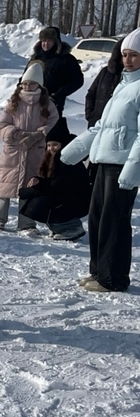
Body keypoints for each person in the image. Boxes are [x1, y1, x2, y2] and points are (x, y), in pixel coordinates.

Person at [60, 28, 140, 291]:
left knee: (114, 222)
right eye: (125, 54)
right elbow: (101, 128)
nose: (127, 60)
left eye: (134, 56)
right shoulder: (123, 86)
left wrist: (132, 171)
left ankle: (113, 279)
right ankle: (98, 272)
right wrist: (72, 151)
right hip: (104, 161)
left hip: (122, 166)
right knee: (97, 219)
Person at [0, 62, 58, 232]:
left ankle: (27, 222)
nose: (28, 86)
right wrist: (17, 133)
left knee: (30, 187)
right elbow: (2, 126)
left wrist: (38, 135)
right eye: (25, 83)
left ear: (39, 85)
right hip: (13, 151)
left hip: (35, 152)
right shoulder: (13, 102)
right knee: (4, 185)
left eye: (32, 83)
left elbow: (54, 124)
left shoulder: (47, 104)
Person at [18, 119, 90, 241]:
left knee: (41, 202)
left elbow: (58, 185)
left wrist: (33, 190)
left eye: (55, 145)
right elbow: (52, 182)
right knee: (37, 201)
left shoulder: (69, 161)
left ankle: (71, 228)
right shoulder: (53, 160)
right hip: (67, 196)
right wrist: (37, 181)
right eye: (49, 145)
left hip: (77, 199)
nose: (51, 148)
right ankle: (58, 227)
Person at [31, 26, 84, 115]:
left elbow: (77, 81)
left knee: (52, 128)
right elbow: (25, 78)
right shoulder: (36, 57)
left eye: (49, 41)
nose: (46, 44)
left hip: (53, 104)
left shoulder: (66, 59)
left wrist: (59, 94)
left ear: (56, 42)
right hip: (32, 102)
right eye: (43, 41)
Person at [85, 40, 124, 127]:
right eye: (124, 54)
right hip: (96, 123)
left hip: (119, 127)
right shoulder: (106, 72)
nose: (127, 58)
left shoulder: (134, 78)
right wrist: (90, 115)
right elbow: (91, 94)